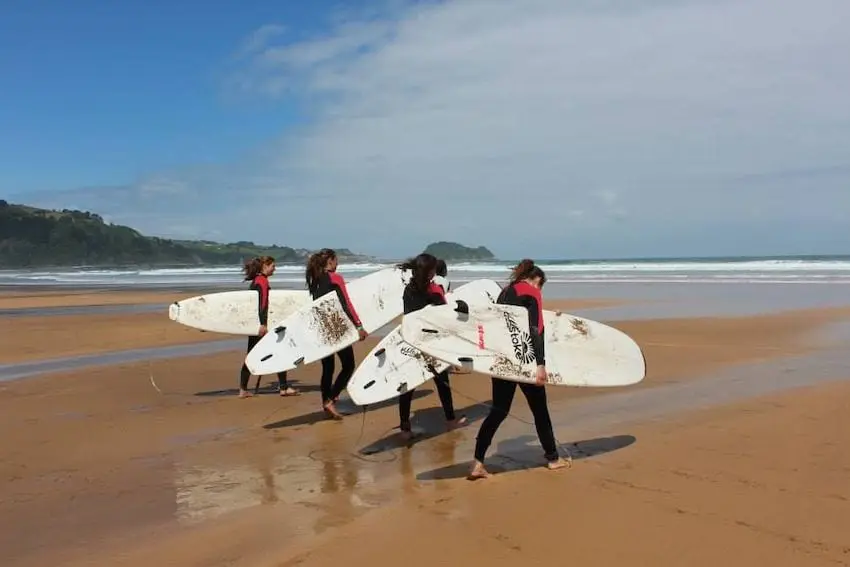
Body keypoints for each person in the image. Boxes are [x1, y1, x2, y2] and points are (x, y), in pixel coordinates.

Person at [469, 259, 569, 478]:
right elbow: (535, 329)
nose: (540, 290)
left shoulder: (505, 292)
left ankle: (477, 463)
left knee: (498, 412)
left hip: (503, 360)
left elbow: (507, 324)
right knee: (540, 411)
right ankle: (553, 458)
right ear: (536, 280)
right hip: (525, 362)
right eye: (540, 285)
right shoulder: (532, 293)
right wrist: (540, 364)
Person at [395, 253, 467, 440]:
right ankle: (450, 420)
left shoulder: (408, 290)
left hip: (411, 340)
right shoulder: (433, 290)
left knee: (408, 384)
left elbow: (409, 316)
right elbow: (445, 316)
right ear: (430, 271)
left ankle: (404, 428)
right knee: (442, 381)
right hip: (430, 343)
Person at [305, 248, 368, 419]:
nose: (338, 263)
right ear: (330, 261)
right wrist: (359, 326)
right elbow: (345, 303)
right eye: (336, 260)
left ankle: (327, 401)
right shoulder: (335, 278)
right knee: (348, 365)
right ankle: (330, 400)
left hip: (321, 328)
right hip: (336, 328)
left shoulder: (315, 279)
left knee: (328, 368)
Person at [238, 256, 299, 399]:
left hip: (255, 325)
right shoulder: (262, 281)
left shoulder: (255, 281)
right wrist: (263, 324)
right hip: (262, 326)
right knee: (280, 352)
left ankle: (243, 389)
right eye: (272, 266)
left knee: (252, 355)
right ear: (265, 266)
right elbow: (263, 304)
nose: (275, 268)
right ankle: (283, 388)